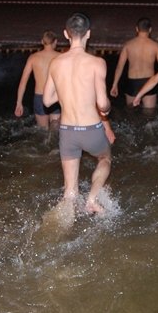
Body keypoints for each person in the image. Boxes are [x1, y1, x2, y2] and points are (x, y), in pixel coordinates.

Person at [42, 13, 112, 216]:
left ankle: (60, 231)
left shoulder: (55, 62)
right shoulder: (97, 63)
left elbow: (47, 101)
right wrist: (106, 109)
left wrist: (66, 93)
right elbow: (102, 103)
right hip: (91, 129)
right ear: (88, 34)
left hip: (67, 132)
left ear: (66, 34)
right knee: (105, 158)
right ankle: (91, 199)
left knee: (69, 192)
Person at [110, 17, 158, 109]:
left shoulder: (128, 45)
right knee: (149, 114)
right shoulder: (155, 46)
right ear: (150, 30)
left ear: (136, 29)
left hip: (132, 82)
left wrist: (114, 84)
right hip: (150, 82)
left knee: (131, 113)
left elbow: (120, 67)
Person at [14, 30, 62, 128]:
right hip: (55, 97)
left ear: (42, 41)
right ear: (55, 42)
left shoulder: (33, 57)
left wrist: (19, 103)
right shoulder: (60, 57)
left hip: (39, 98)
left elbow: (23, 82)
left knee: (42, 133)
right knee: (55, 134)